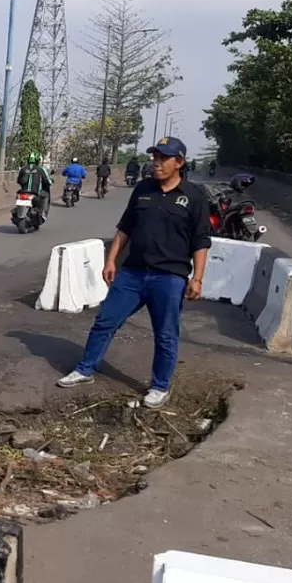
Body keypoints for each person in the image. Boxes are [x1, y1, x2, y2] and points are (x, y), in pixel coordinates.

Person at [55, 136, 211, 409]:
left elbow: (201, 240)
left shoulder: (194, 197)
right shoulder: (143, 189)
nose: (156, 163)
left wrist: (197, 278)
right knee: (105, 321)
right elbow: (125, 227)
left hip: (169, 277)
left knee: (165, 334)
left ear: (180, 162)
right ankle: (85, 369)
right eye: (155, 157)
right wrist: (111, 259)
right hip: (133, 273)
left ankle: (160, 386)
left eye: (163, 158)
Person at [16, 152, 53, 219]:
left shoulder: (23, 169)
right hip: (36, 193)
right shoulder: (41, 169)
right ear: (37, 160)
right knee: (46, 195)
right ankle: (43, 214)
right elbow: (47, 181)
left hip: (23, 192)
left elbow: (18, 180)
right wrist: (50, 182)